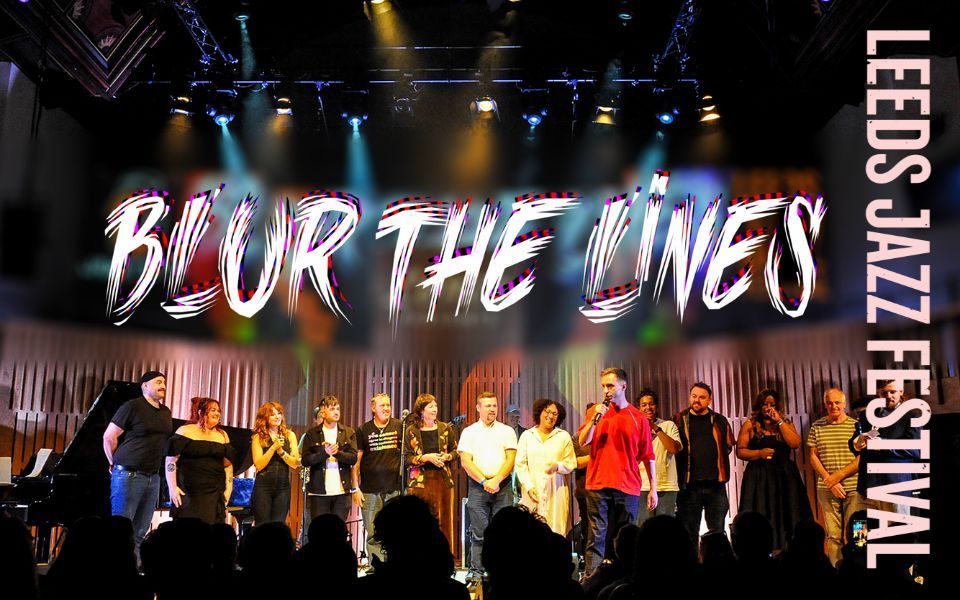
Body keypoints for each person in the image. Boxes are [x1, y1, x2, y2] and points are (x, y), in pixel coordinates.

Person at [578, 367, 657, 578]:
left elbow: (648, 456)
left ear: (623, 386)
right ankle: (591, 582)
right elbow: (583, 441)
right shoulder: (596, 412)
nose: (606, 390)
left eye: (610, 386)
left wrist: (653, 488)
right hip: (598, 483)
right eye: (603, 386)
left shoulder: (638, 417)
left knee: (626, 537)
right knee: (596, 536)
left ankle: (625, 580)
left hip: (627, 485)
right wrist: (595, 419)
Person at [102, 370, 173, 557]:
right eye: (158, 382)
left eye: (164, 382)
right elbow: (109, 437)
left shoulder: (166, 412)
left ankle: (135, 568)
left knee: (140, 530)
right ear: (145, 386)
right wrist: (113, 462)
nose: (163, 386)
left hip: (153, 477)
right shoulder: (132, 406)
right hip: (129, 475)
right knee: (121, 529)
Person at [736, 388, 811, 550]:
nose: (768, 408)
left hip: (784, 475)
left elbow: (795, 444)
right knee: (761, 511)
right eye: (765, 404)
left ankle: (789, 550)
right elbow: (740, 451)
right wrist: (759, 453)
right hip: (759, 476)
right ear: (759, 405)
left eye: (772, 404)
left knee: (788, 512)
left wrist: (780, 422)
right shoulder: (750, 425)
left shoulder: (785, 423)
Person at [458, 391, 518, 573]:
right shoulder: (469, 432)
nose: (492, 409)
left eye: (494, 405)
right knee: (479, 532)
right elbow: (465, 462)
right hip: (478, 486)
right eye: (488, 406)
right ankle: (477, 573)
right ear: (478, 408)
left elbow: (511, 459)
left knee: (503, 532)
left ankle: (502, 573)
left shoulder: (507, 431)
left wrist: (497, 479)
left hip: (503, 486)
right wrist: (485, 481)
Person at [673, 381, 735, 541]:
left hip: (716, 486)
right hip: (689, 486)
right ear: (689, 397)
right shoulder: (678, 420)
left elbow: (728, 446)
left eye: (702, 397)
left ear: (709, 400)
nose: (697, 400)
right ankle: (692, 558)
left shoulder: (720, 420)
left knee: (717, 532)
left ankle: (717, 558)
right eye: (694, 396)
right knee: (688, 534)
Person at [850, 379, 922, 515]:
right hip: (866, 487)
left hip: (894, 488)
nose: (888, 396)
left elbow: (915, 449)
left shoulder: (912, 415)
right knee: (858, 528)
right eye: (884, 393)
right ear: (878, 393)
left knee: (897, 528)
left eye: (892, 392)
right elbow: (855, 442)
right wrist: (857, 442)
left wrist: (883, 444)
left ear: (901, 391)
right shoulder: (868, 414)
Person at [806, 387, 860, 566]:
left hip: (853, 486)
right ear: (825, 404)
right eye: (829, 403)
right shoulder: (817, 426)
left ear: (844, 404)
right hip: (827, 488)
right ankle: (836, 570)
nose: (833, 406)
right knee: (833, 535)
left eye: (837, 402)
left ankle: (858, 568)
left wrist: (837, 477)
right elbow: (813, 456)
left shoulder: (856, 426)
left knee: (857, 532)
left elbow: (862, 458)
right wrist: (829, 481)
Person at [164, 397, 235, 524]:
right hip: (189, 492)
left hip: (214, 492)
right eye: (213, 410)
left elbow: (228, 466)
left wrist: (228, 489)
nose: (217, 413)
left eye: (218, 410)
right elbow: (171, 461)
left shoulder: (223, 435)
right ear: (201, 412)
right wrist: (172, 488)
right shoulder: (185, 431)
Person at [352, 392, 403, 563]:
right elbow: (356, 462)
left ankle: (394, 564)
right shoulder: (363, 430)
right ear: (373, 408)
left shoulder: (399, 426)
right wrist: (355, 488)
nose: (387, 408)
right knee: (373, 532)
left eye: (388, 405)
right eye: (383, 405)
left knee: (394, 530)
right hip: (369, 490)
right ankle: (376, 565)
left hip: (394, 489)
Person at [404, 393, 458, 552]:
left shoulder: (445, 428)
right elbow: (407, 458)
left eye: (435, 406)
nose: (435, 409)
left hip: (443, 480)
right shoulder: (411, 431)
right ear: (421, 410)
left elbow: (455, 451)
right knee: (420, 520)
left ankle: (444, 556)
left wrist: (447, 456)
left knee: (444, 520)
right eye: (430, 406)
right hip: (420, 482)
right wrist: (425, 458)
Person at [515, 398, 577, 535]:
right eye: (547, 411)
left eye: (555, 414)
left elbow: (571, 463)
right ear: (540, 412)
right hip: (532, 490)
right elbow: (520, 464)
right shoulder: (527, 436)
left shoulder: (563, 436)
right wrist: (529, 487)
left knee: (555, 531)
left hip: (556, 490)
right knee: (531, 532)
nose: (550, 416)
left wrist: (558, 466)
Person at [300, 395, 357, 522]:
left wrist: (337, 453)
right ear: (323, 412)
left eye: (338, 409)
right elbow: (305, 460)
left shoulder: (348, 432)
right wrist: (324, 453)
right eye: (332, 409)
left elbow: (353, 458)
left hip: (342, 492)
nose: (336, 412)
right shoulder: (312, 434)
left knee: (338, 529)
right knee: (320, 529)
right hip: (319, 492)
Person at [635, 389, 682, 524]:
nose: (648, 407)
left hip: (667, 485)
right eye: (644, 405)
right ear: (639, 408)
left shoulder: (668, 425)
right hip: (642, 486)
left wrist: (655, 428)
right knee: (643, 527)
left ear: (656, 406)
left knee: (665, 528)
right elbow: (633, 458)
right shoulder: (634, 428)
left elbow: (674, 448)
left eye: (651, 404)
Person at [250, 401, 300, 525]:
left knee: (278, 525)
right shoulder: (258, 437)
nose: (277, 417)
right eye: (272, 414)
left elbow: (295, 463)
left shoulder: (290, 435)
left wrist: (281, 451)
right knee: (262, 526)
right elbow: (258, 465)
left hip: (283, 486)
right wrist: (273, 447)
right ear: (265, 418)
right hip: (263, 486)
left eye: (279, 413)